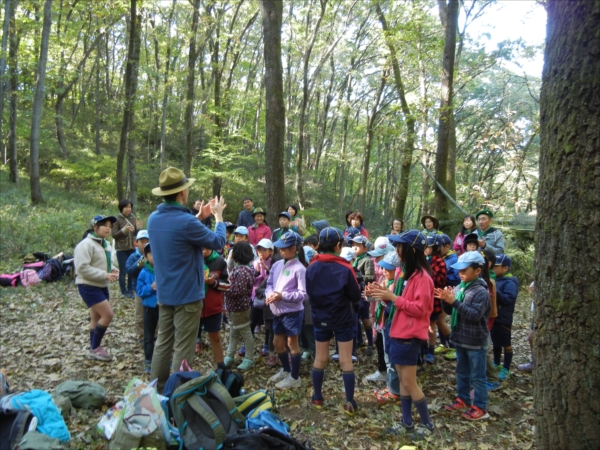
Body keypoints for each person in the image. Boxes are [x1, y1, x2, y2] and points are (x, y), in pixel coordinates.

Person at [147, 167, 227, 392]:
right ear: (183, 193)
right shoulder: (186, 222)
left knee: (163, 342)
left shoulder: (153, 219)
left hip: (165, 292)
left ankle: (157, 390)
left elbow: (178, 231)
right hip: (188, 295)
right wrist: (218, 216)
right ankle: (177, 394)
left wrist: (200, 216)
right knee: (184, 346)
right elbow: (218, 242)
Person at [367, 230, 435, 440]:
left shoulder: (423, 278)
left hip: (409, 336)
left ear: (412, 250)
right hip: (396, 332)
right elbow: (398, 303)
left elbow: (421, 310)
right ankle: (406, 421)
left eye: (400, 246)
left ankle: (426, 424)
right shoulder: (404, 273)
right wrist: (382, 294)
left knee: (409, 382)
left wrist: (393, 298)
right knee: (405, 382)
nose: (396, 250)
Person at [306, 227, 362, 414]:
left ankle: (317, 397)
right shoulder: (345, 268)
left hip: (320, 317)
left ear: (320, 245)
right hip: (343, 318)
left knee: (320, 357)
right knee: (346, 360)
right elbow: (355, 295)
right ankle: (349, 401)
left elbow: (309, 291)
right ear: (339, 245)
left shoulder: (311, 266)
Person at [437, 251, 491, 421]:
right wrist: (444, 300)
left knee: (478, 376)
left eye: (464, 270)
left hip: (475, 341)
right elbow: (451, 311)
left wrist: (454, 301)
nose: (460, 273)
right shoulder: (460, 287)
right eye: (459, 270)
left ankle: (481, 406)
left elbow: (475, 315)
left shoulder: (481, 291)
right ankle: (463, 398)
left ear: (477, 271)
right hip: (460, 338)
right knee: (462, 371)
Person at [75, 215, 120, 361]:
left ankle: (93, 347)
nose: (108, 228)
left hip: (100, 285)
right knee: (107, 314)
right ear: (95, 227)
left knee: (96, 317)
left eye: (110, 226)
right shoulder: (86, 245)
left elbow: (104, 263)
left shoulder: (104, 244)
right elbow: (82, 268)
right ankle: (95, 348)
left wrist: (112, 270)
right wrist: (104, 274)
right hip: (88, 285)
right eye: (105, 225)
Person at [266, 231, 308, 389]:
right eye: (279, 248)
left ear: (294, 249)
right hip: (277, 311)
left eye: (284, 248)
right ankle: (285, 369)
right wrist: (270, 294)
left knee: (292, 343)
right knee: (277, 342)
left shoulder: (299, 268)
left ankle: (295, 377)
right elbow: (269, 283)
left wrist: (282, 296)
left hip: (292, 313)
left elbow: (303, 294)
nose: (281, 251)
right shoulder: (277, 264)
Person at [367, 251, 400, 384]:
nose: (384, 271)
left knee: (390, 353)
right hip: (380, 321)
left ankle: (392, 382)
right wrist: (370, 294)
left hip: (389, 323)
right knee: (381, 348)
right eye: (383, 268)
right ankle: (384, 373)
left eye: (388, 269)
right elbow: (374, 298)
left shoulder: (398, 285)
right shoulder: (384, 281)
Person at [224, 242, 256, 371]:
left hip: (240, 308)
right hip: (233, 308)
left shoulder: (243, 271)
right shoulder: (239, 269)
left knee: (245, 332)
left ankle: (249, 358)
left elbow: (238, 291)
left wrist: (222, 288)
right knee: (233, 332)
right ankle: (230, 355)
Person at [197, 247, 230, 370]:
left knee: (215, 337)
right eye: (201, 248)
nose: (203, 251)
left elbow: (227, 285)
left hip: (212, 307)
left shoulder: (220, 262)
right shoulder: (192, 259)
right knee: (188, 340)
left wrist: (214, 283)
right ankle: (186, 369)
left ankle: (221, 366)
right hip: (194, 307)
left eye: (207, 248)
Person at [492, 254, 519, 381]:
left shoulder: (510, 282)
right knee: (496, 341)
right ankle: (496, 363)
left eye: (496, 266)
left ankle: (506, 367)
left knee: (506, 343)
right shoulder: (497, 279)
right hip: (495, 317)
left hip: (504, 318)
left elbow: (509, 299)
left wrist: (495, 290)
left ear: (505, 268)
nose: (493, 268)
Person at [350, 235, 375, 357]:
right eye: (353, 245)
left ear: (365, 248)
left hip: (363, 294)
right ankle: (359, 340)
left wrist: (356, 277)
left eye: (358, 245)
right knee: (356, 319)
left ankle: (370, 343)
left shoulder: (367, 260)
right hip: (354, 295)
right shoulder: (351, 259)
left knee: (365, 319)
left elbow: (370, 277)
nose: (354, 247)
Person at [424, 235, 447, 364]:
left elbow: (439, 280)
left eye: (429, 246)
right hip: (422, 296)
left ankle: (431, 350)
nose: (426, 249)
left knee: (432, 325)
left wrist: (425, 275)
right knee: (422, 324)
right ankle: (422, 348)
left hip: (433, 297)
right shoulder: (423, 259)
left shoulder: (439, 261)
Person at [112, 199, 142, 297]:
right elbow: (114, 235)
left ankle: (130, 290)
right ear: (121, 208)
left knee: (131, 269)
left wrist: (138, 228)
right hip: (121, 248)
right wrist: (124, 230)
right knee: (123, 270)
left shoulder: (133, 217)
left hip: (131, 247)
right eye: (126, 207)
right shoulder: (117, 219)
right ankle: (123, 291)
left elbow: (136, 233)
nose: (128, 209)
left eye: (130, 207)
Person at [136, 243, 158, 373]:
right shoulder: (143, 273)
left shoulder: (164, 270)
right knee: (148, 336)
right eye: (151, 254)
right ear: (145, 256)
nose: (154, 257)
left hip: (163, 308)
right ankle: (148, 361)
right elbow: (140, 291)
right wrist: (150, 287)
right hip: (149, 308)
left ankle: (165, 359)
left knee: (164, 335)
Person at [126, 230, 150, 342]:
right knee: (139, 315)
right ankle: (141, 337)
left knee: (154, 313)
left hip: (153, 289)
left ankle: (153, 335)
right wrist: (139, 264)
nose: (145, 244)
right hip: (139, 289)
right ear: (137, 243)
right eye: (142, 241)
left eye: (147, 241)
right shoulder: (133, 256)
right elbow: (129, 271)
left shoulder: (154, 254)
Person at [251, 238, 274, 354]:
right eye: (259, 249)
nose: (261, 252)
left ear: (270, 251)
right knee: (252, 320)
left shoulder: (274, 263)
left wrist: (267, 270)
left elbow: (273, 279)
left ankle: (266, 345)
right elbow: (251, 280)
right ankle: (248, 345)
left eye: (264, 249)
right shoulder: (255, 263)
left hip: (269, 297)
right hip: (256, 295)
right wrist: (257, 272)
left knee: (268, 323)